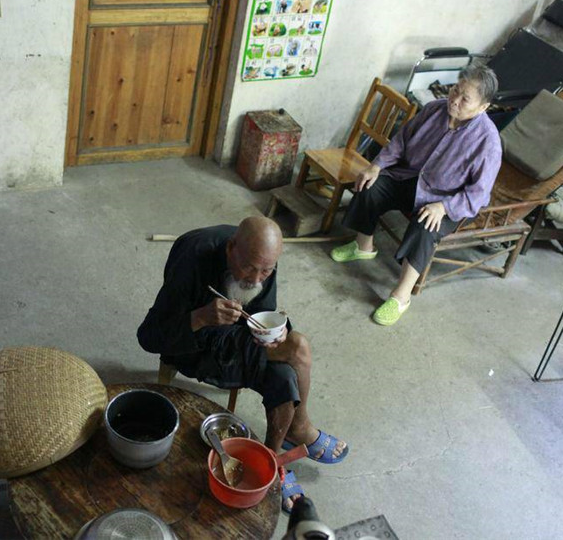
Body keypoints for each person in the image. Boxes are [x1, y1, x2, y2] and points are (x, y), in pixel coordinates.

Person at [137, 217, 348, 513]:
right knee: (297, 348)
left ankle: (272, 459)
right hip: (193, 345)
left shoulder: (263, 262)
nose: (256, 279)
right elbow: (149, 337)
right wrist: (200, 317)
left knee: (286, 370)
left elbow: (262, 314)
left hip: (238, 341)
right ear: (231, 248)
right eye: (249, 267)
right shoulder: (192, 259)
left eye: (267, 270)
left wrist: (275, 332)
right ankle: (299, 428)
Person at [331, 63, 502, 325]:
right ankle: (363, 246)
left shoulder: (488, 141)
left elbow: (478, 195)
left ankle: (401, 296)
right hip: (411, 177)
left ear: (483, 107)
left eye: (464, 98)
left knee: (426, 226)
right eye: (455, 90)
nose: (454, 100)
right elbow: (401, 140)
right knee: (370, 185)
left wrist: (443, 208)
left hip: (447, 199)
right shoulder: (435, 108)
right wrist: (376, 166)